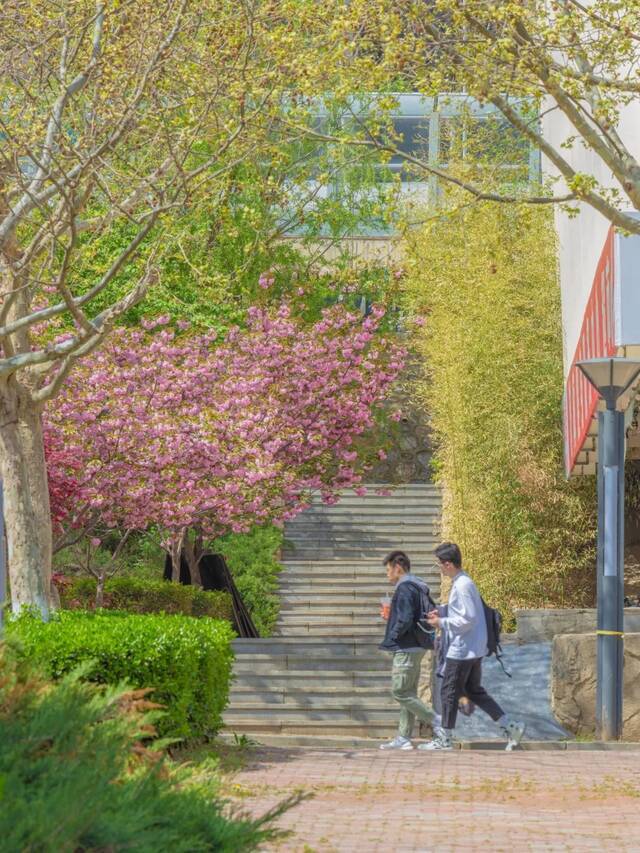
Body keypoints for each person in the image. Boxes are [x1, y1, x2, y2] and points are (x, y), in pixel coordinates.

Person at [419, 542, 526, 752]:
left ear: (448, 564)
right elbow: (462, 612)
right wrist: (441, 611)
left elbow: (468, 618)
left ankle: (444, 739)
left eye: (439, 564)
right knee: (474, 691)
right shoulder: (464, 582)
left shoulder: (462, 585)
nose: (439, 568)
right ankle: (510, 726)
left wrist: (441, 623)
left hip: (462, 649)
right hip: (473, 649)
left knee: (448, 691)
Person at [378, 550, 435, 750]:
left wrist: (393, 634)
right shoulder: (418, 586)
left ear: (398, 568)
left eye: (388, 570)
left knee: (399, 691)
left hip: (407, 646)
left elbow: (405, 619)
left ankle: (438, 722)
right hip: (418, 645)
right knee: (409, 692)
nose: (387, 575)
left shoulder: (404, 588)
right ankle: (404, 737)